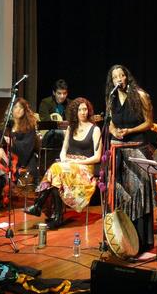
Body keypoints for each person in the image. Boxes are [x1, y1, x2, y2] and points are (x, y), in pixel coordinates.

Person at [25, 98, 102, 229]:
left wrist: (77, 161)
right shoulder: (71, 128)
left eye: (85, 109)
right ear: (75, 112)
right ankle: (57, 217)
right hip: (68, 167)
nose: (83, 112)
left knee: (56, 169)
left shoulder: (95, 130)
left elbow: (97, 157)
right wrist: (64, 159)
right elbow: (63, 151)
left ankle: (40, 205)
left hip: (84, 169)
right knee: (57, 173)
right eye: (80, 110)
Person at [106, 64, 155, 256]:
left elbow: (149, 123)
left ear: (127, 77)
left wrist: (130, 131)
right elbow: (110, 123)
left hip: (137, 150)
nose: (118, 79)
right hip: (118, 151)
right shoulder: (111, 98)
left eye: (121, 75)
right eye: (115, 76)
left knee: (138, 194)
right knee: (121, 195)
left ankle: (141, 241)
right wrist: (114, 131)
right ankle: (122, 239)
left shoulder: (141, 96)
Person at [0, 98, 40, 214]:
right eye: (15, 107)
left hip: (23, 158)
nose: (18, 110)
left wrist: (12, 142)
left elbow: (27, 147)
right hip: (8, 157)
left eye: (21, 108)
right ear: (11, 109)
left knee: (1, 164)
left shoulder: (29, 125)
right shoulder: (7, 125)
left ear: (25, 110)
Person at [38, 79, 72, 148]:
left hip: (67, 133)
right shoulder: (46, 102)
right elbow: (45, 122)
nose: (62, 96)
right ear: (54, 93)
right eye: (59, 93)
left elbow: (73, 121)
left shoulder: (71, 104)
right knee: (58, 133)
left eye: (64, 93)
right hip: (50, 134)